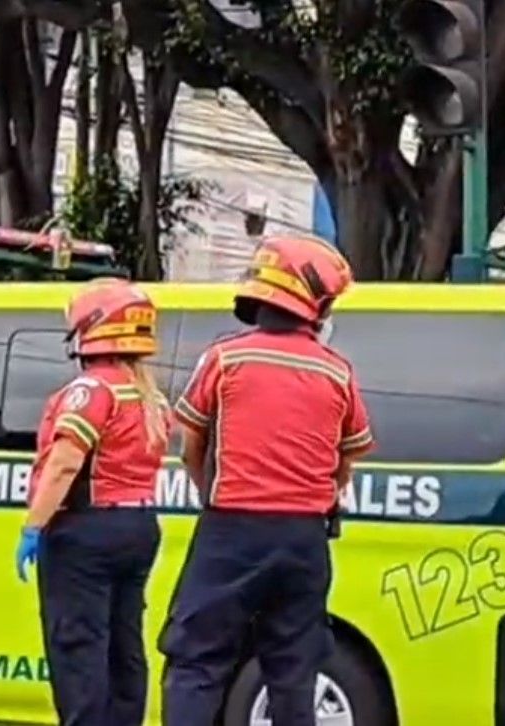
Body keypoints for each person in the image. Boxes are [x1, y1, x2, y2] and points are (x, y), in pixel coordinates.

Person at [158, 234, 375, 726]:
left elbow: (190, 440)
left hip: (231, 530)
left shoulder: (225, 358)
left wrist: (208, 492)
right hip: (304, 540)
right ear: (311, 302)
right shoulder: (337, 372)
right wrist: (319, 496)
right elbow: (347, 459)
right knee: (294, 670)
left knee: (197, 660)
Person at [15, 279, 169, 726]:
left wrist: (34, 526)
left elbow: (64, 464)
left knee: (79, 647)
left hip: (86, 532)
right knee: (124, 647)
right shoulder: (149, 395)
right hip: (138, 527)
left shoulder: (92, 391)